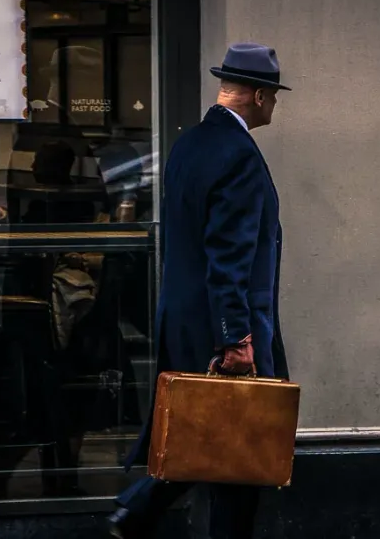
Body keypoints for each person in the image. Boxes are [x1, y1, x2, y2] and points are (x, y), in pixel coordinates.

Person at [107, 43, 292, 539]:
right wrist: (236, 337)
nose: (275, 105)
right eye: (274, 96)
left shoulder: (189, 144)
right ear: (258, 95)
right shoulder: (240, 155)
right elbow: (228, 254)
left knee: (206, 433)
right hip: (222, 325)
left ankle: (136, 510)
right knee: (240, 450)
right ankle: (136, 509)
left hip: (184, 318)